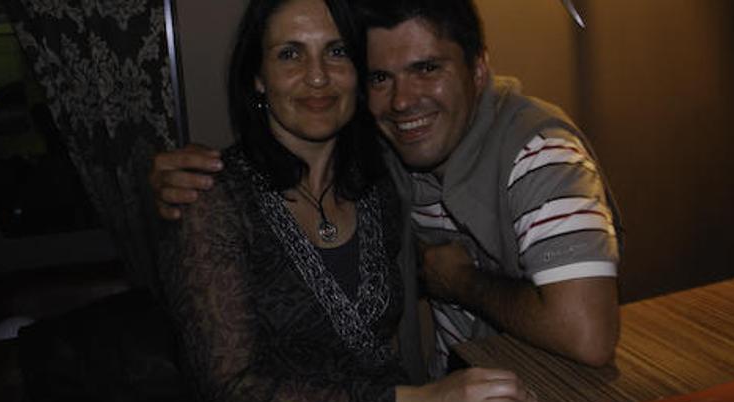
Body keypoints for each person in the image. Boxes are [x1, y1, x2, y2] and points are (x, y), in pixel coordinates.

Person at [152, 0, 622, 381]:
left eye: (427, 68)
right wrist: (161, 180)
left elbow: (587, 336)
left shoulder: (537, 153)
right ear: (257, 75)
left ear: (479, 69)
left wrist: (461, 282)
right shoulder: (387, 157)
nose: (402, 101)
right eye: (381, 77)